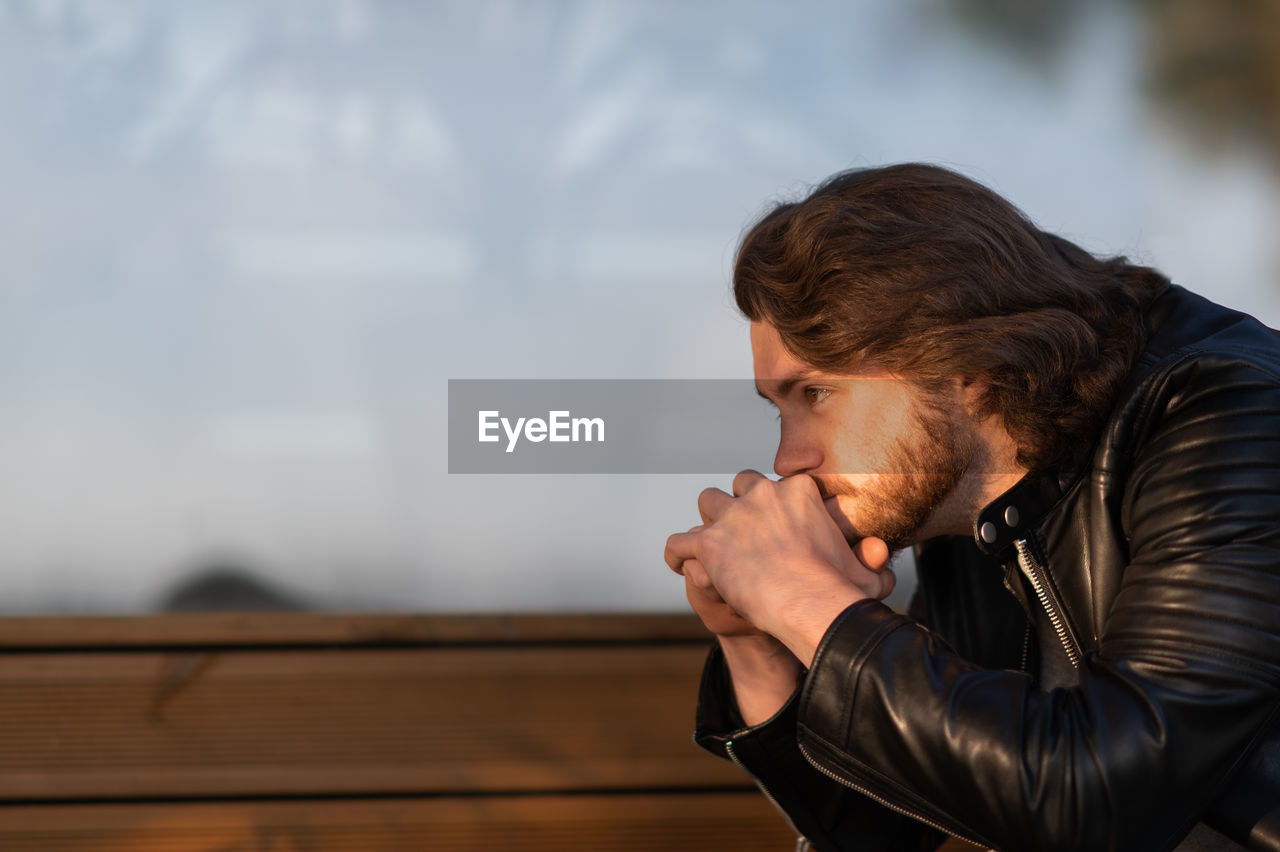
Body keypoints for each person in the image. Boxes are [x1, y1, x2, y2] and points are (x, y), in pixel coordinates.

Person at [663, 163, 1280, 852]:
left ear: (960, 356)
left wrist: (811, 603)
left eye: (816, 394)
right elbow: (882, 827)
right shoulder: (968, 498)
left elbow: (1105, 805)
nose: (786, 460)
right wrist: (760, 644)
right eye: (779, 408)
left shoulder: (1228, 415)